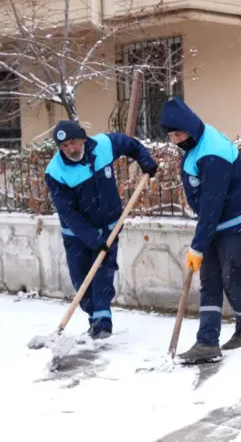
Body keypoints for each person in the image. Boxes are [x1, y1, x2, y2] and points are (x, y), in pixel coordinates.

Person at [159, 97, 241, 365]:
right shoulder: (197, 142)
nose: (176, 141)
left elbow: (212, 204)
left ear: (190, 127)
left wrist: (197, 245)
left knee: (233, 277)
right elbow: (209, 206)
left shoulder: (212, 153)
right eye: (171, 136)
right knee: (210, 279)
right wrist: (202, 239)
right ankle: (207, 341)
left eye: (178, 134)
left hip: (236, 221)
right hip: (217, 220)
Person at [44, 119, 158, 340]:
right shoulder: (55, 172)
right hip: (77, 235)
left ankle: (102, 324)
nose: (70, 149)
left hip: (109, 228)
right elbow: (68, 213)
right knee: (81, 280)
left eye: (73, 143)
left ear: (83, 139)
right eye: (64, 146)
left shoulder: (104, 145)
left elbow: (129, 144)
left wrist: (145, 160)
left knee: (103, 275)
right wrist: (92, 239)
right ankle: (94, 317)